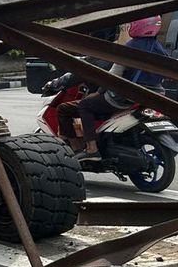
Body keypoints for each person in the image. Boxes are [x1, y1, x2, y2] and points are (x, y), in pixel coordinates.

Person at [69, 16, 171, 162]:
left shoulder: (129, 47)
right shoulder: (160, 48)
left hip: (125, 98)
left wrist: (98, 92)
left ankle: (92, 148)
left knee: (85, 105)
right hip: (153, 96)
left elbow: (113, 76)